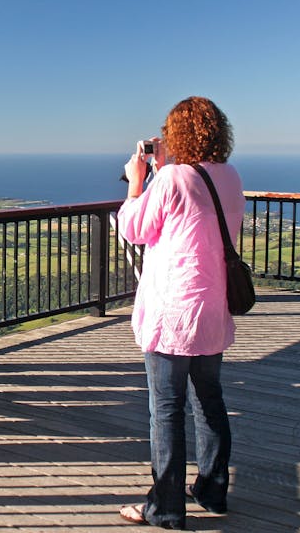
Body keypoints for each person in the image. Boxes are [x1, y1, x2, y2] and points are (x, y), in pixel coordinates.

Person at [116, 97, 244, 529]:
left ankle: (166, 508)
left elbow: (134, 228)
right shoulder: (229, 176)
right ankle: (212, 489)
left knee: (166, 409)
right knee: (209, 399)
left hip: (173, 311)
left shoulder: (170, 177)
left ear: (176, 136)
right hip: (212, 308)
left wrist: (137, 182)